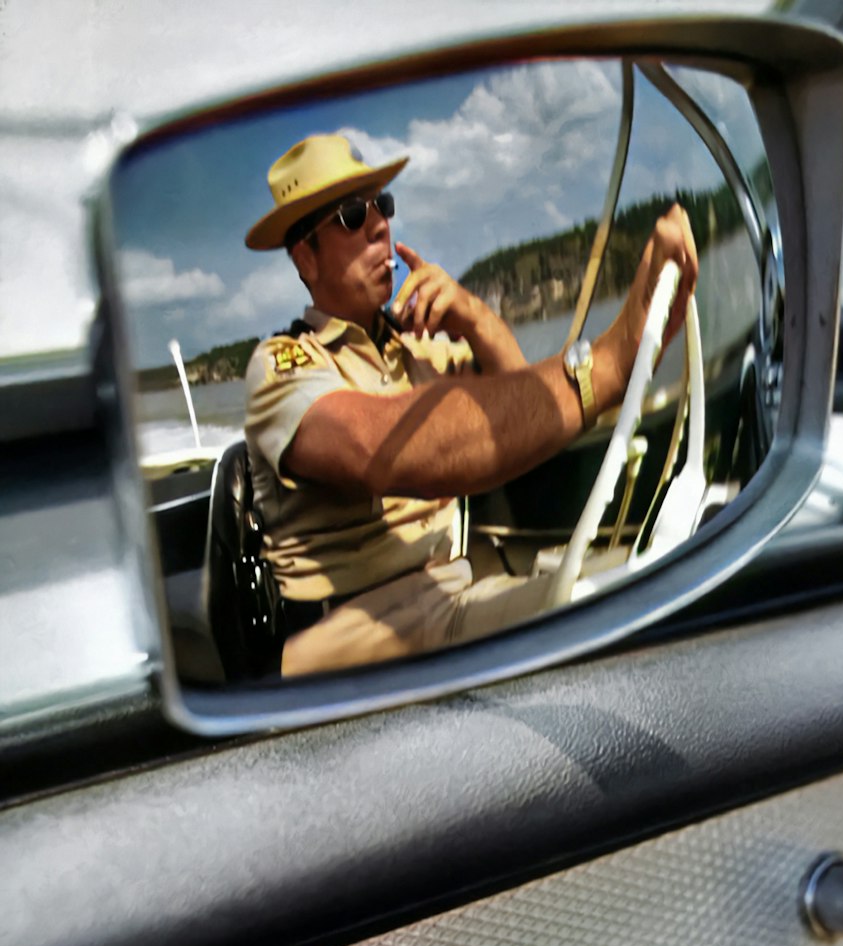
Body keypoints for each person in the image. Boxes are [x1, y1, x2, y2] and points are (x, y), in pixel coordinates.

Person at [243, 132, 697, 675]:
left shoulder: (415, 348)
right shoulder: (283, 365)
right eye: (352, 214)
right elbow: (383, 451)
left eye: (382, 206)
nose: (380, 224)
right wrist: (608, 366)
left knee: (653, 576)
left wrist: (473, 317)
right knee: (628, 612)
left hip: (447, 596)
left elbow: (525, 414)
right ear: (306, 259)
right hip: (356, 635)